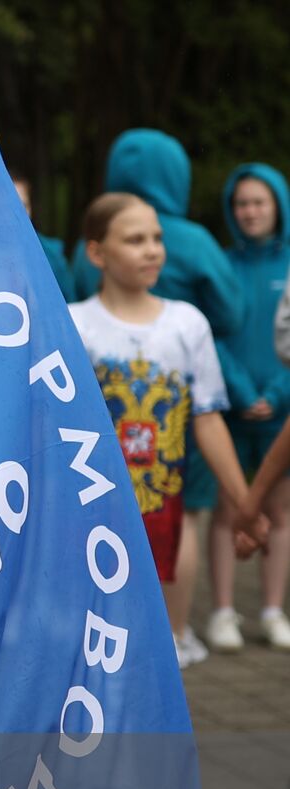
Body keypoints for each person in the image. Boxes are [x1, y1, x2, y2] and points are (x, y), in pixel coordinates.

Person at [71, 128, 244, 665]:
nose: (153, 249)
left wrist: (245, 502)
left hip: (164, 473)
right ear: (96, 253)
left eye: (155, 239)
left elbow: (210, 419)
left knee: (178, 526)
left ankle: (171, 635)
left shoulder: (186, 325)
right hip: (93, 491)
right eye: (136, 240)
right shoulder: (75, 327)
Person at [205, 164, 290, 650]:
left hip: (281, 407)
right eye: (241, 203)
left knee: (278, 509)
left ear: (278, 205)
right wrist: (239, 390)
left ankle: (273, 610)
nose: (250, 212)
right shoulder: (221, 264)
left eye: (259, 202)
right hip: (231, 409)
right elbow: (210, 335)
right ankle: (221, 612)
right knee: (228, 506)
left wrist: (277, 393)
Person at [11, 173, 75, 302]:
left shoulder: (51, 255)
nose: (15, 214)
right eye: (6, 206)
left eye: (22, 206)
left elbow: (68, 306)